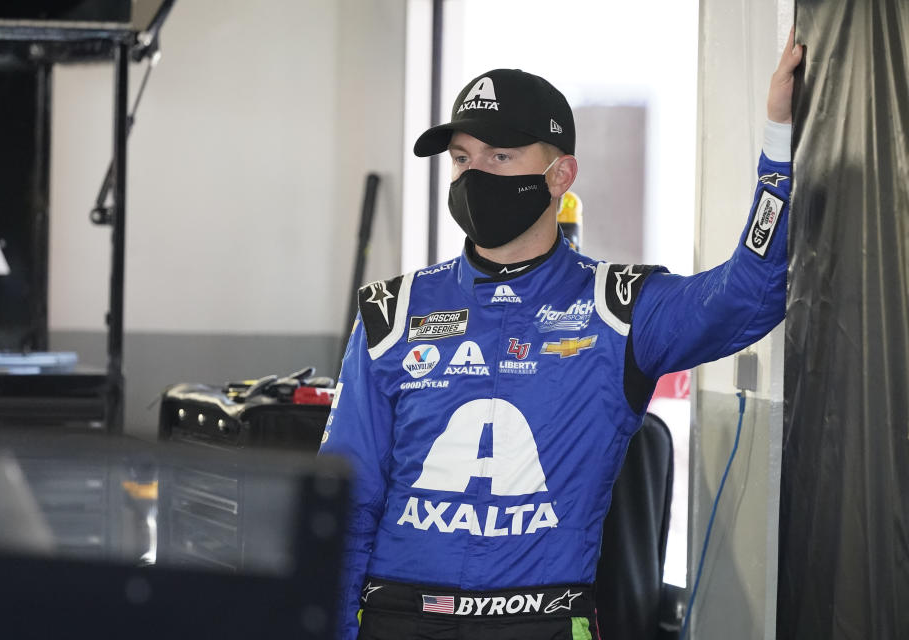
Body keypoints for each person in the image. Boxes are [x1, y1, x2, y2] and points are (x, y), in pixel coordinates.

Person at [319, 31, 803, 640]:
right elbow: (344, 497)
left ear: (560, 175)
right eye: (463, 159)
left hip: (541, 620)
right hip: (401, 618)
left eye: (499, 157)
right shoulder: (391, 313)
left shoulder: (620, 309)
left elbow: (749, 295)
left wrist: (779, 137)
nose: (474, 175)